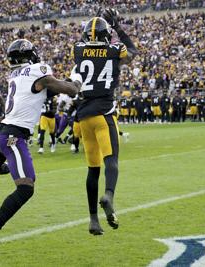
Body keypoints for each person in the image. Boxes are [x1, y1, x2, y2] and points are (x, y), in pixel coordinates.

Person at [0, 39, 80, 262]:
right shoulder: (37, 71)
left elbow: (43, 91)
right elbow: (68, 89)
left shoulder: (15, 75)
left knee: (5, 149)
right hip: (14, 135)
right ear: (28, 56)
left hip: (6, 132)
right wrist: (76, 83)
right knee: (26, 188)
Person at [72, 9, 137, 235]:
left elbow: (84, 40)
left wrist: (96, 24)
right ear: (107, 35)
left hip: (83, 118)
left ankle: (93, 220)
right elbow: (133, 51)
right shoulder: (114, 49)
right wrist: (116, 26)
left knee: (92, 170)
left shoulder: (78, 49)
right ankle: (109, 195)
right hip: (104, 113)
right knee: (111, 160)